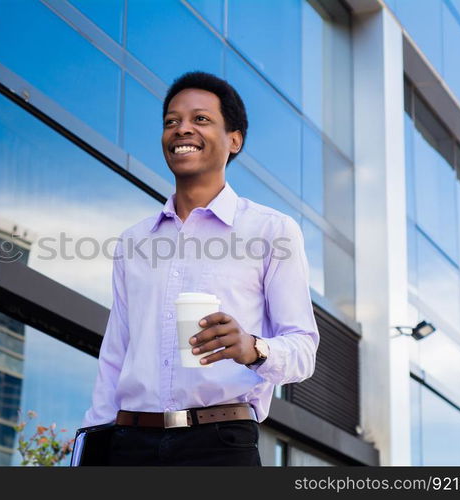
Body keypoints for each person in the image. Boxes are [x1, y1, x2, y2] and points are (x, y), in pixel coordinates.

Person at [80, 71, 319, 466]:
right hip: (129, 446)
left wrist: (251, 348)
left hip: (221, 446)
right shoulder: (134, 242)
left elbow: (303, 351)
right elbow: (114, 357)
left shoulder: (271, 231)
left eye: (200, 119)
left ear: (234, 140)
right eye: (171, 121)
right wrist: (90, 444)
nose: (181, 130)